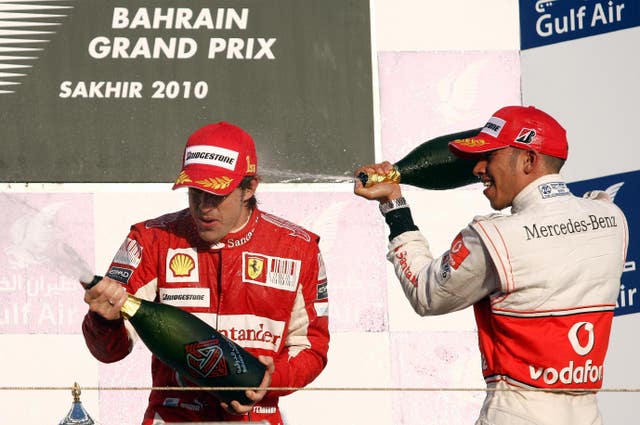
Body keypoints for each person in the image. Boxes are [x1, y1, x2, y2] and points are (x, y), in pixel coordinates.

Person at [354, 105, 628, 425]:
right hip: (588, 414)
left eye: (491, 156)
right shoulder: (612, 219)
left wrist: (394, 205)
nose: (477, 169)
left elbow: (425, 293)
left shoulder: (495, 236)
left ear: (529, 160)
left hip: (517, 414)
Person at [82, 122, 330, 424]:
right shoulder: (150, 239)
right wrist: (102, 322)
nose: (203, 207)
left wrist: (271, 379)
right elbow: (109, 352)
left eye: (216, 195)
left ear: (249, 188)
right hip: (173, 415)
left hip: (255, 418)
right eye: (195, 193)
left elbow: (311, 350)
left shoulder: (297, 248)